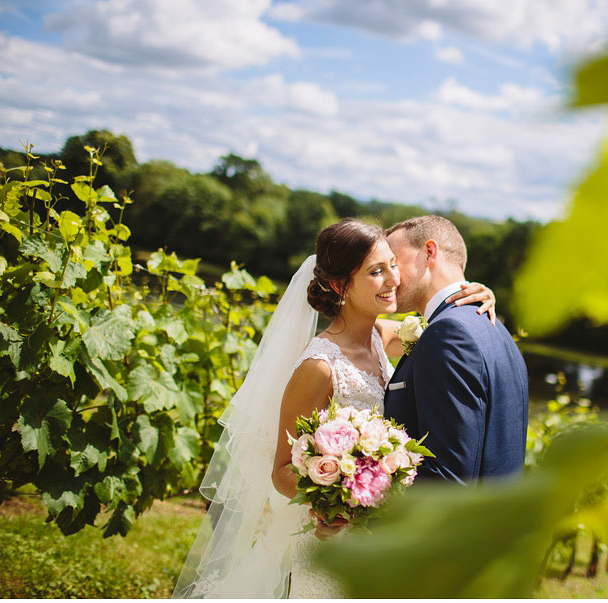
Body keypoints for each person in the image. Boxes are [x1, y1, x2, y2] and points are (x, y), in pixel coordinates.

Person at [172, 218, 497, 599]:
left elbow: (444, 329)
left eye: (393, 264)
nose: (394, 278)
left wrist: (478, 293)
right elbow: (280, 470)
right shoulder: (318, 366)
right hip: (331, 538)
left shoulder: (383, 336)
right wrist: (339, 500)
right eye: (377, 271)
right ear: (341, 286)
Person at [384, 215, 529, 483]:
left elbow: (446, 480)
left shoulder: (448, 333)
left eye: (393, 261)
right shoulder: (497, 329)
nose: (388, 275)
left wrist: (364, 498)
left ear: (429, 252)